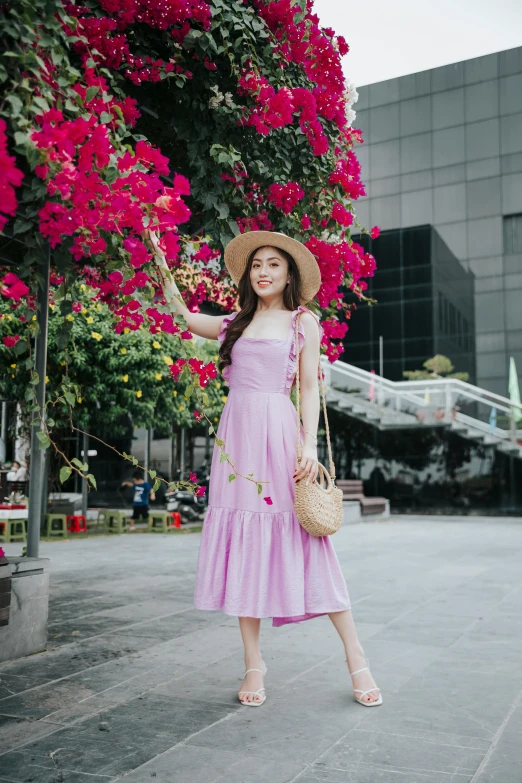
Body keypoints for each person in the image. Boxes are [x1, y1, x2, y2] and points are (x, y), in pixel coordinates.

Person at [149, 228, 382, 708]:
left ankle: (355, 656)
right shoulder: (234, 323)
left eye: (273, 264)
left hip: (279, 435)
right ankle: (254, 665)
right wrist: (159, 262)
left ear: (289, 273)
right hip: (236, 441)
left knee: (310, 541)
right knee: (246, 546)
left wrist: (309, 443)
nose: (263, 272)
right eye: (257, 265)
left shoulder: (304, 323)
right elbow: (184, 317)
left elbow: (310, 389)